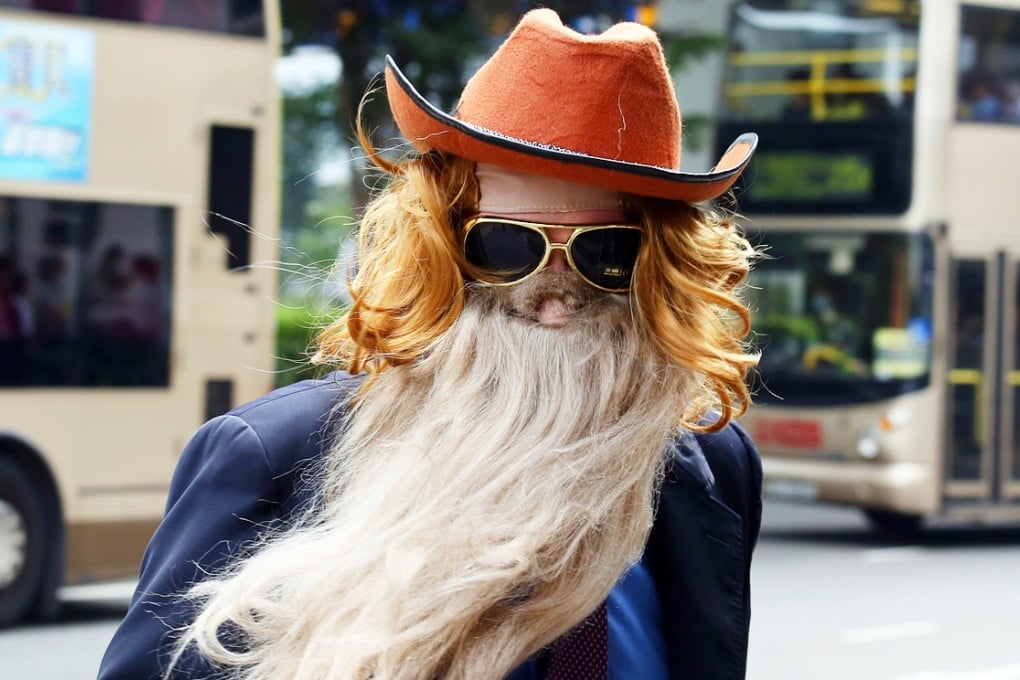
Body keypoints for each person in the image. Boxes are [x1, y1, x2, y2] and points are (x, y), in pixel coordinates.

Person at [99, 9, 762, 679]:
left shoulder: (711, 466)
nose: (555, 299)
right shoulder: (271, 458)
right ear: (445, 243)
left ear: (661, 265)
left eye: (606, 252)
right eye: (508, 245)